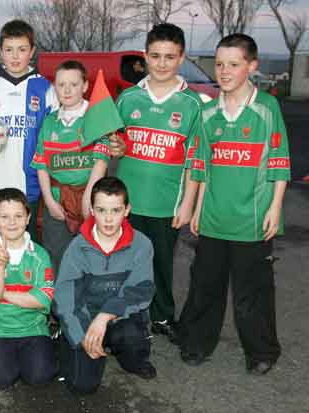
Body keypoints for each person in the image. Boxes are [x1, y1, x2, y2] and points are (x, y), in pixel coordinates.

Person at [177, 34, 290, 375]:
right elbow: (198, 163)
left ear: (252, 66)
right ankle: (195, 343)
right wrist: (194, 208)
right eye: (221, 64)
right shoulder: (208, 111)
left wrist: (274, 208)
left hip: (252, 218)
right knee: (205, 285)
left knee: (252, 291)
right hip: (212, 217)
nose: (225, 71)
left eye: (234, 64)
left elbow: (279, 162)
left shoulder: (266, 108)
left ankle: (261, 352)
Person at [114, 23, 207, 341]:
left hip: (166, 203)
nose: (162, 63)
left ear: (181, 58)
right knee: (124, 260)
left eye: (170, 56)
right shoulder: (128, 98)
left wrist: (188, 203)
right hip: (126, 202)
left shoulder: (192, 104)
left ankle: (162, 316)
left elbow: (196, 160)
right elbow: (114, 141)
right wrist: (118, 146)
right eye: (155, 56)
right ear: (144, 57)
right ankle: (124, 315)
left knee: (161, 263)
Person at [53, 177, 156, 395]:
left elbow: (142, 290)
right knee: (83, 386)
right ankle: (69, 343)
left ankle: (129, 356)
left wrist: (106, 315)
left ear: (127, 210)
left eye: (116, 210)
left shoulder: (142, 244)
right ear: (91, 210)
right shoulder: (78, 248)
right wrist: (83, 337)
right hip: (86, 319)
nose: (108, 219)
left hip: (120, 317)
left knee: (132, 340)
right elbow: (65, 298)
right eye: (101, 210)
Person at [0, 19, 58, 247]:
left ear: (32, 51)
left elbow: (56, 136)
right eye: (9, 50)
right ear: (0, 52)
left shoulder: (45, 89)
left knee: (27, 255)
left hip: (28, 188)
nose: (15, 56)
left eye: (22, 49)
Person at [30, 60, 125, 271]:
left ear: (85, 86)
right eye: (61, 84)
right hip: (56, 200)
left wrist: (88, 197)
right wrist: (48, 200)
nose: (67, 90)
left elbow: (100, 162)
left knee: (91, 260)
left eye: (73, 84)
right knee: (56, 259)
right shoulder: (49, 121)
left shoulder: (95, 118)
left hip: (88, 198)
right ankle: (60, 305)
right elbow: (42, 164)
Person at [0, 188, 56, 389]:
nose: (12, 222)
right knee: (3, 379)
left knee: (39, 377)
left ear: (28, 218)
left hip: (32, 326)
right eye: (4, 216)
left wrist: (4, 293)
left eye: (18, 216)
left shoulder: (41, 255)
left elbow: (42, 300)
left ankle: (20, 356)